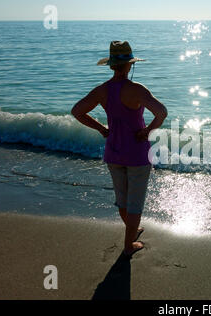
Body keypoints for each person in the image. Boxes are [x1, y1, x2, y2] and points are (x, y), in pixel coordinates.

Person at [71, 41, 167, 256]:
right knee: (135, 202)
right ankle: (128, 245)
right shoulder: (137, 90)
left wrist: (101, 129)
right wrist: (147, 131)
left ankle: (132, 229)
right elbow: (161, 112)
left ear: (112, 65)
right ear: (130, 65)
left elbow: (77, 111)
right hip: (137, 153)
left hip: (113, 151)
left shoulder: (102, 90)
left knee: (122, 199)